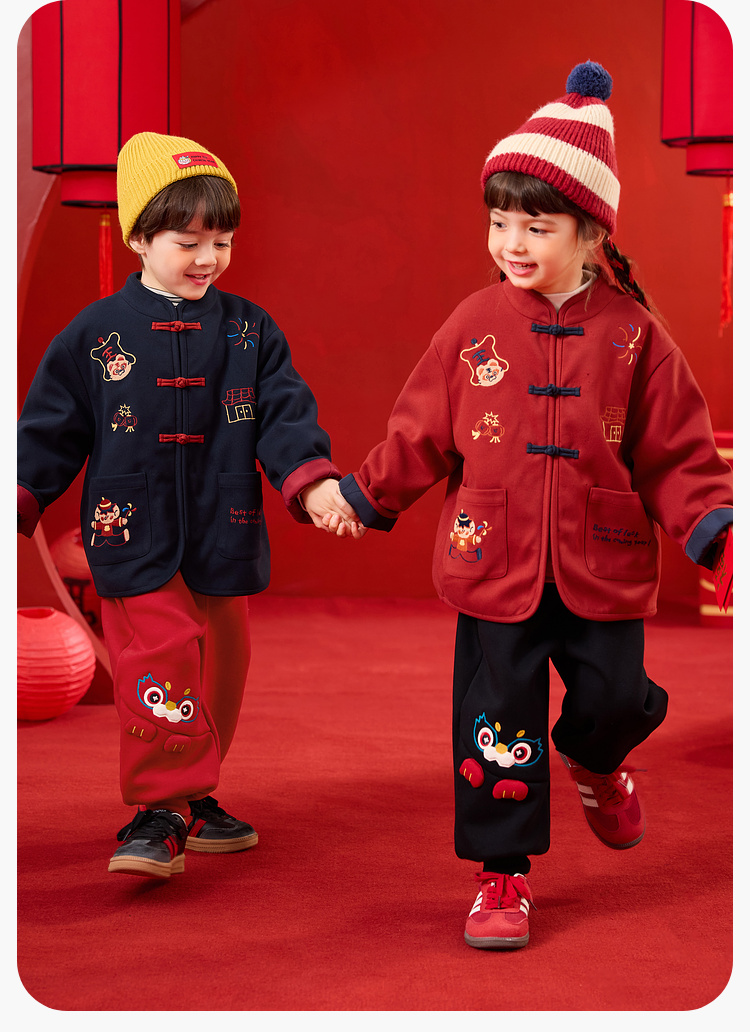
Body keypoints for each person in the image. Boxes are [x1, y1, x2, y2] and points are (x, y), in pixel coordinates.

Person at [324, 62, 734, 949]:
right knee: (495, 727)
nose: (512, 242)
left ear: (591, 233)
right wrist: (364, 494)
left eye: (536, 226)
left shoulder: (634, 336)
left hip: (603, 564)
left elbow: (677, 454)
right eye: (499, 222)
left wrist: (719, 536)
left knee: (616, 700)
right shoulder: (473, 323)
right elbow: (422, 429)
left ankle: (596, 755)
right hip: (493, 564)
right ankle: (501, 873)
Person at [17, 131, 360, 880]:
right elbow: (49, 428)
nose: (208, 258)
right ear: (139, 237)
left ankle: (194, 795)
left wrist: (313, 483)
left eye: (222, 242)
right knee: (162, 656)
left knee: (220, 668)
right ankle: (159, 809)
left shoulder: (249, 330)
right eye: (188, 242)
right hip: (130, 531)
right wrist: (21, 497)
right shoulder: (94, 335)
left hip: (222, 526)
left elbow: (284, 416)